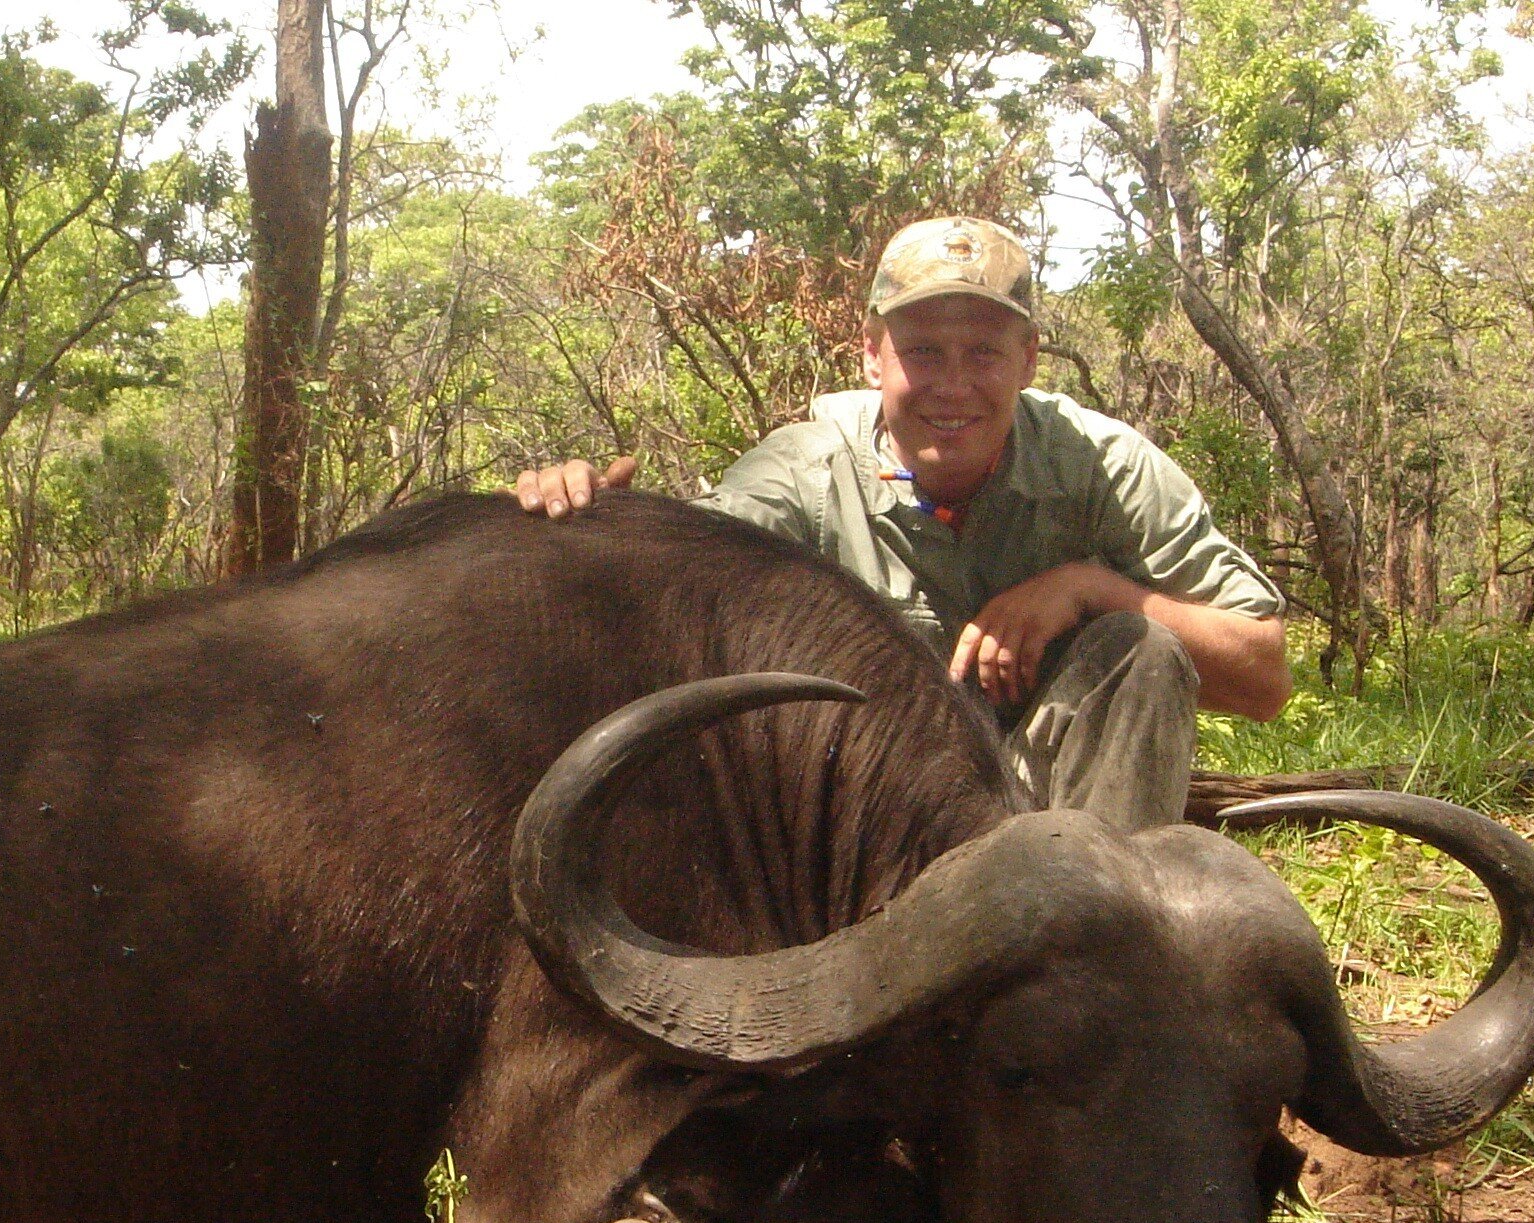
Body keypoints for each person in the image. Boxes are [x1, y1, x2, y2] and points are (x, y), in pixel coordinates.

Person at [512, 216, 1291, 832]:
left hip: (1068, 827)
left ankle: (1099, 957)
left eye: (982, 352)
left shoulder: (1103, 466)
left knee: (1143, 649)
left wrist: (1088, 589)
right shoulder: (807, 472)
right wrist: (579, 518)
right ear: (871, 357)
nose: (952, 386)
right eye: (922, 351)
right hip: (872, 810)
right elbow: (664, 586)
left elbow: (1262, 677)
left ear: (1029, 360)